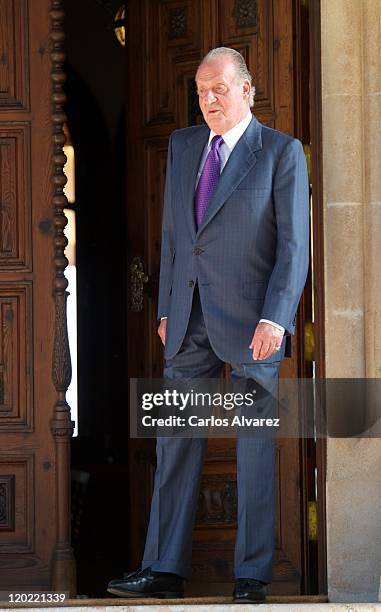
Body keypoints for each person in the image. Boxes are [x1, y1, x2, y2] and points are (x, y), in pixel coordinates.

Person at [108, 47, 309, 603]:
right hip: (188, 318)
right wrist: (168, 308)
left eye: (219, 89)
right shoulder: (183, 145)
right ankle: (164, 568)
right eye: (201, 91)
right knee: (175, 442)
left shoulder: (281, 153)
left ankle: (252, 575)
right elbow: (175, 237)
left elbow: (294, 247)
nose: (209, 100)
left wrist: (277, 316)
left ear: (247, 89)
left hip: (253, 325)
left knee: (253, 447)